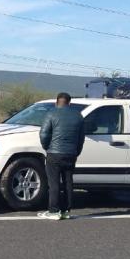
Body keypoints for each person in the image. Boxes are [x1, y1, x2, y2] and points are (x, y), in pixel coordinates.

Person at [37, 92, 85, 220]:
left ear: (56, 102)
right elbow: (81, 138)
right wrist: (76, 151)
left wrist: (46, 147)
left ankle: (53, 211)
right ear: (70, 103)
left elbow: (44, 134)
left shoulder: (51, 113)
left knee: (54, 183)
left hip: (54, 153)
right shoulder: (78, 116)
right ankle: (66, 211)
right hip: (71, 154)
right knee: (68, 182)